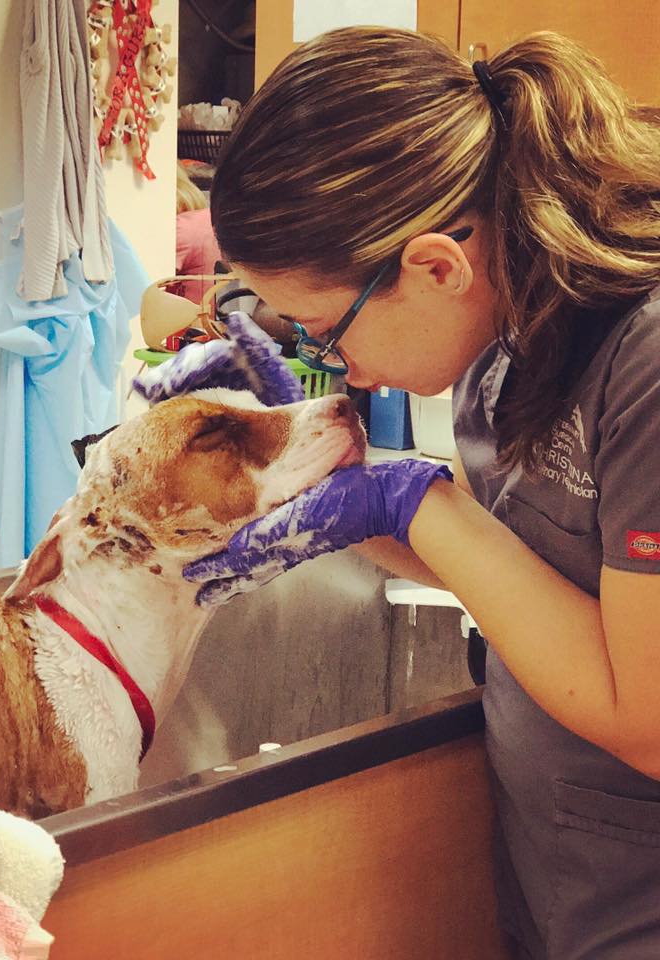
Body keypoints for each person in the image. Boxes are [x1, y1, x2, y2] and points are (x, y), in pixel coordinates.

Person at [134, 27, 660, 960]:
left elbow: (648, 718)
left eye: (326, 329)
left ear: (434, 266)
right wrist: (337, 476)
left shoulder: (648, 361)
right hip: (562, 877)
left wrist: (415, 499)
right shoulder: (509, 328)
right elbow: (519, 570)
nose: (338, 365)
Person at [173, 162, 223, 302]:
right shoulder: (207, 218)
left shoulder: (180, 229)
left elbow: (148, 279)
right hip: (216, 317)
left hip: (188, 320)